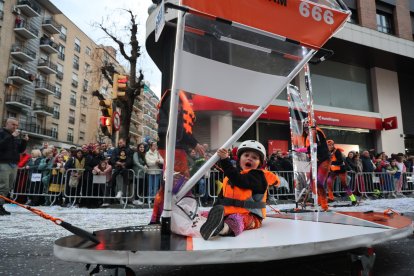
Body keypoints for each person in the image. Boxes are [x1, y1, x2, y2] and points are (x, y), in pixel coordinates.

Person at [200, 140, 279, 240]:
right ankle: (212, 223)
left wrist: (225, 160)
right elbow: (221, 198)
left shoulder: (258, 176)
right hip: (228, 212)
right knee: (205, 214)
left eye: (254, 157)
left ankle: (223, 228)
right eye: (246, 155)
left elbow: (240, 180)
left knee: (237, 219)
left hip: (251, 216)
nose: (249, 158)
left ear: (259, 163)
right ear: (239, 158)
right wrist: (215, 209)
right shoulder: (229, 178)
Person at [150, 90, 204, 224]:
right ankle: (187, 216)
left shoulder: (174, 98)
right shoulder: (174, 98)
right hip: (173, 147)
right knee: (183, 183)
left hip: (172, 146)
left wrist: (193, 143)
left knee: (169, 185)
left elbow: (177, 127)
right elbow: (177, 127)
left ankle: (157, 218)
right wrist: (194, 143)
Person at [0, 118, 29, 215]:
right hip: (3, 163)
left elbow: (20, 150)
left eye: (17, 125)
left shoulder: (14, 136)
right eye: (13, 124)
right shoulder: (1, 132)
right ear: (7, 123)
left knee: (8, 187)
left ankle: (1, 206)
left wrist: (24, 141)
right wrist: (11, 137)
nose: (15, 127)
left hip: (13, 163)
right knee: (2, 185)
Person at [325, 140, 357, 205]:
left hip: (341, 170)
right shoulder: (327, 152)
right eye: (329, 145)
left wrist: (330, 163)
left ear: (333, 145)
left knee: (344, 185)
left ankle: (353, 199)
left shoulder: (337, 151)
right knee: (329, 182)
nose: (330, 146)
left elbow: (340, 161)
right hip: (333, 171)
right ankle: (331, 198)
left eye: (331, 145)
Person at [109, 138, 133, 204]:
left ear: (124, 142)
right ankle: (118, 193)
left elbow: (130, 159)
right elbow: (112, 159)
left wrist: (124, 164)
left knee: (125, 182)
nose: (120, 144)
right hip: (117, 168)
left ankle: (122, 195)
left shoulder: (129, 150)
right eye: (119, 143)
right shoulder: (115, 150)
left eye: (121, 142)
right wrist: (117, 163)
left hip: (125, 169)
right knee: (114, 179)